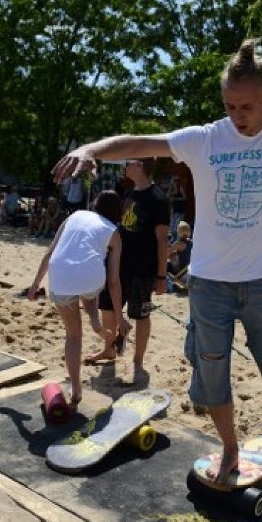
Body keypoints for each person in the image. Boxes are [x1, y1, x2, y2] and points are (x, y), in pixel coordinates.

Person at [51, 39, 262, 484]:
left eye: (246, 108)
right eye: (229, 106)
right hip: (209, 282)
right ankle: (229, 445)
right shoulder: (206, 139)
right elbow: (144, 141)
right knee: (212, 370)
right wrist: (91, 148)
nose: (237, 117)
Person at [27, 190, 131, 404]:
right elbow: (113, 281)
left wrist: (35, 284)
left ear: (95, 205)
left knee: (73, 336)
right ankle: (95, 321)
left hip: (60, 276)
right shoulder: (113, 232)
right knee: (89, 289)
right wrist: (119, 316)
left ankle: (76, 389)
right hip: (91, 277)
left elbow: (49, 253)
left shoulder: (74, 216)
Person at [85, 158, 169, 378]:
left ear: (140, 165)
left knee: (140, 315)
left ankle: (137, 361)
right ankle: (109, 348)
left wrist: (161, 276)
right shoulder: (130, 193)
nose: (125, 165)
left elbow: (162, 240)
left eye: (129, 162)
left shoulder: (157, 199)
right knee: (107, 307)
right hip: (119, 263)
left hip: (143, 268)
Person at [166, 176, 187, 240]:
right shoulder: (172, 189)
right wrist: (170, 187)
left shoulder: (180, 188)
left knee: (177, 226)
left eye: (176, 181)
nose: (174, 183)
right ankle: (172, 240)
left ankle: (178, 240)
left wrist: (175, 199)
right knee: (171, 226)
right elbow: (167, 196)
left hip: (180, 210)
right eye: (173, 181)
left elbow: (185, 198)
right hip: (174, 209)